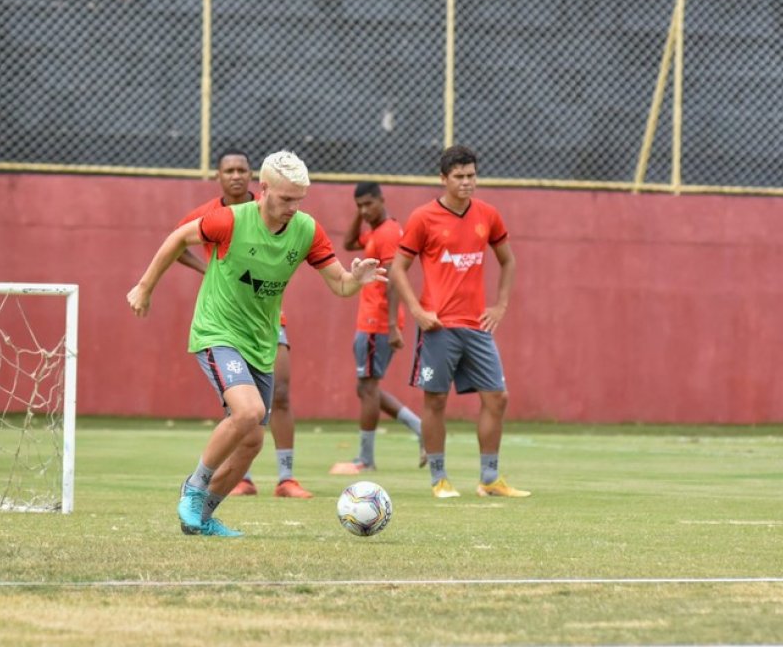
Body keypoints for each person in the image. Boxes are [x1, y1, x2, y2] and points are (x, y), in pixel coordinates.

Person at [128, 150, 384, 537]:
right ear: (262, 189)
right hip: (217, 331)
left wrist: (356, 279)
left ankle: (202, 518)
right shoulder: (230, 220)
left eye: (299, 199)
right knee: (247, 412)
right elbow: (179, 237)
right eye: (285, 199)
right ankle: (194, 487)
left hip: (260, 341)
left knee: (252, 441)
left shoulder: (307, 230)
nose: (292, 208)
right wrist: (144, 287)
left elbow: (340, 284)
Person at [389, 145, 529, 499]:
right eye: (459, 177)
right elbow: (397, 269)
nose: (467, 183)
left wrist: (500, 306)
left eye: (471, 176)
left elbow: (508, 261)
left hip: (477, 327)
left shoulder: (488, 215)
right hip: (438, 327)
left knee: (497, 398)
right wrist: (417, 311)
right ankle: (439, 479)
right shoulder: (423, 218)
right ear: (443, 179)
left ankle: (489, 479)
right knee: (435, 402)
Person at [176, 149, 312, 499]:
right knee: (243, 408)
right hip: (226, 322)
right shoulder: (214, 215)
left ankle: (286, 477)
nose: (236, 176)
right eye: (229, 170)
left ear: (257, 180)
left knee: (278, 394)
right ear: (218, 176)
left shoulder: (277, 208)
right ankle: (241, 478)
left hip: (267, 321)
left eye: (242, 170)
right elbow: (175, 242)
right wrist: (206, 269)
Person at [330, 181, 425, 475]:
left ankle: (365, 459)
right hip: (370, 320)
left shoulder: (388, 234)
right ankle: (420, 427)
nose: (364, 209)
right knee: (367, 386)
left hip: (377, 322)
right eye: (359, 205)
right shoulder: (374, 230)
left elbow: (395, 278)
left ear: (383, 200)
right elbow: (347, 243)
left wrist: (392, 327)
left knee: (368, 387)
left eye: (369, 203)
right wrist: (362, 215)